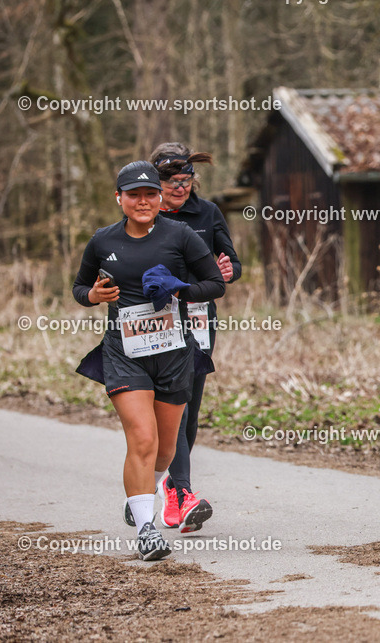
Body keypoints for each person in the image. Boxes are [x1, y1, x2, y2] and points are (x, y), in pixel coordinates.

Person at [73, 160, 225, 560]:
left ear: (160, 198)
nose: (143, 201)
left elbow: (216, 284)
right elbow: (79, 286)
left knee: (163, 451)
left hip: (174, 352)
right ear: (119, 198)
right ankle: (146, 528)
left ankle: (140, 493)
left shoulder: (182, 235)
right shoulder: (102, 241)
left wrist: (181, 289)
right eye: (134, 194)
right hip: (124, 352)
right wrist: (94, 296)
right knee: (142, 438)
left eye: (150, 194)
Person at [148, 142, 241, 534]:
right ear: (157, 182)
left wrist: (228, 269)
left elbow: (231, 263)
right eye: (173, 182)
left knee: (191, 411)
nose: (181, 188)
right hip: (158, 321)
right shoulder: (143, 212)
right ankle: (181, 491)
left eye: (187, 181)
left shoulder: (208, 213)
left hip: (201, 318)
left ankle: (169, 481)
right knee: (177, 404)